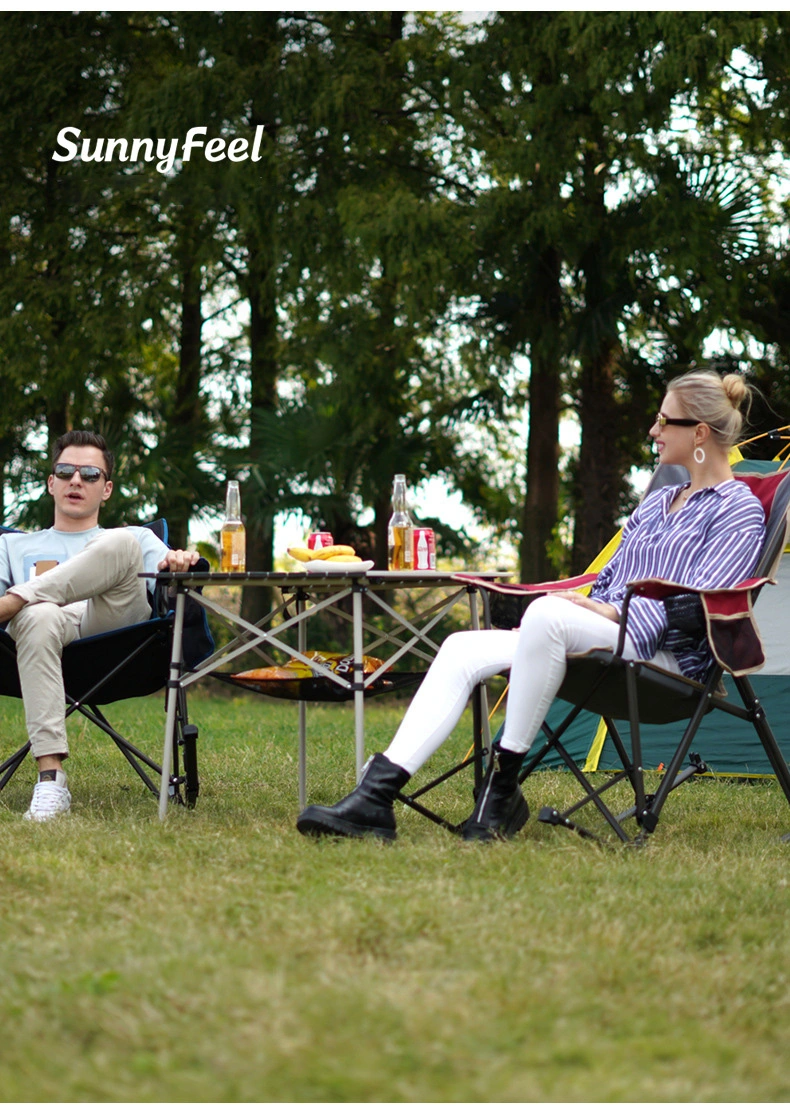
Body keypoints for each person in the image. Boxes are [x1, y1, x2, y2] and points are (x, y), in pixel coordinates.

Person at [296, 370, 766, 843]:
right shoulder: (659, 501)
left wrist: (611, 613)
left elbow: (705, 605)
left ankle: (501, 791)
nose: (653, 431)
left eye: (665, 421)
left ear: (700, 433)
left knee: (546, 616)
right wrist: (583, 603)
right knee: (462, 646)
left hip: (665, 661)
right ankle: (376, 797)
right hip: (606, 636)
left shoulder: (738, 509)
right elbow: (607, 578)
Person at [0, 430, 199, 821]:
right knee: (39, 614)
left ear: (106, 489)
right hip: (36, 644)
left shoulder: (136, 538)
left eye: (90, 474)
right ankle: (50, 779)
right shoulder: (9, 547)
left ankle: (18, 598)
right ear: (50, 482)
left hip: (115, 641)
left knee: (121, 544)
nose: (77, 480)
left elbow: (170, 587)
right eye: (66, 471)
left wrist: (179, 563)